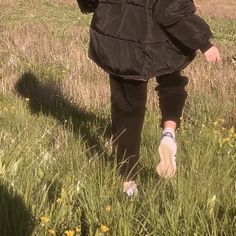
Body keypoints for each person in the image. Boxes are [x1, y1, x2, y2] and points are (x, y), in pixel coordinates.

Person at [77, 0, 221, 197]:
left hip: (120, 37)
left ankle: (128, 182)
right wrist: (203, 43)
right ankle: (168, 134)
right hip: (159, 36)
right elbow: (170, 10)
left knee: (127, 109)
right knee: (172, 80)